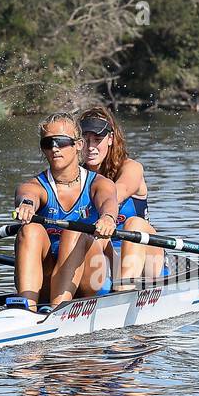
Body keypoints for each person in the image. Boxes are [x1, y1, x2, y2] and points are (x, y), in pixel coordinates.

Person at [9, 113, 119, 310]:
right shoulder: (35, 185)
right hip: (48, 278)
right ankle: (26, 308)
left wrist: (108, 218)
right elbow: (27, 195)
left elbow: (108, 202)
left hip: (91, 281)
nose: (54, 148)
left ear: (78, 144)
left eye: (61, 141)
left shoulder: (99, 183)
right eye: (47, 143)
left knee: (75, 231)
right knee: (30, 230)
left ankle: (59, 309)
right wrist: (26, 205)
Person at [77, 105, 165, 287]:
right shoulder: (76, 178)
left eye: (97, 139)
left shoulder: (131, 168)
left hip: (148, 261)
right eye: (85, 140)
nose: (91, 147)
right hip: (105, 259)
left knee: (134, 224)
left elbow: (117, 193)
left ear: (110, 139)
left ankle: (123, 290)